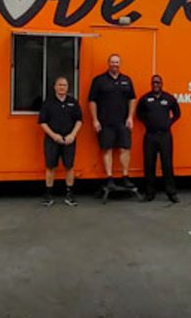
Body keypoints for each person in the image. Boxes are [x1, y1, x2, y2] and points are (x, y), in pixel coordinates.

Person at [88, 53, 137, 190]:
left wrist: (130, 117)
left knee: (125, 148)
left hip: (123, 122)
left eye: (117, 62)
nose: (115, 64)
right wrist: (95, 120)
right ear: (108, 63)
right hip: (105, 122)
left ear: (120, 64)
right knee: (107, 149)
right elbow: (92, 101)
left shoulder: (127, 80)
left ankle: (125, 177)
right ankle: (109, 178)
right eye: (112, 62)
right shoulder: (99, 80)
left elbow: (132, 99)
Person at [38, 76, 82, 206]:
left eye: (64, 85)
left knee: (69, 166)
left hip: (69, 139)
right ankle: (49, 194)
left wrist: (72, 135)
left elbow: (79, 120)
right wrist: (54, 135)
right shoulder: (48, 103)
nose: (62, 87)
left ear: (68, 87)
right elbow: (42, 122)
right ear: (55, 87)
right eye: (60, 85)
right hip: (52, 140)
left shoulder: (73, 102)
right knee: (50, 166)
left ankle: (69, 194)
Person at [136, 74, 181, 203]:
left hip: (165, 136)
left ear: (162, 84)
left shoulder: (169, 98)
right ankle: (149, 193)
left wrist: (169, 122)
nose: (156, 85)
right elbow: (139, 114)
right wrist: (147, 122)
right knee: (149, 164)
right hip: (150, 135)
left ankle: (171, 193)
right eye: (154, 83)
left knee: (167, 164)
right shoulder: (145, 99)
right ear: (151, 84)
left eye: (158, 83)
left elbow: (177, 113)